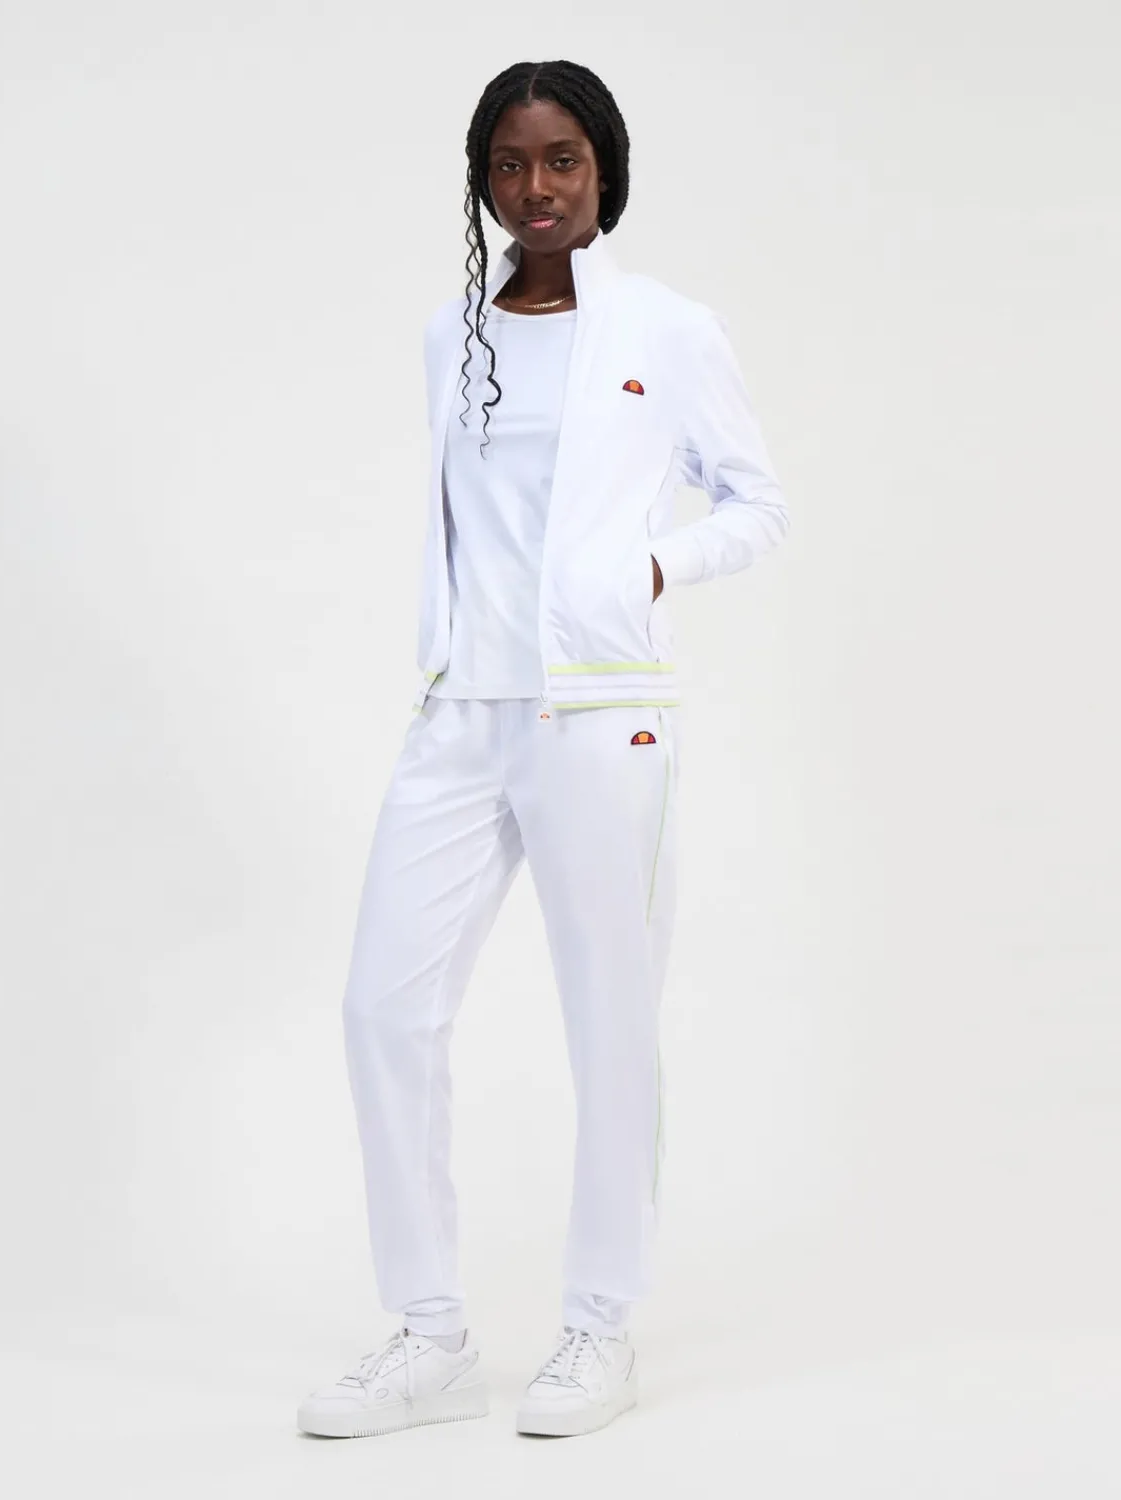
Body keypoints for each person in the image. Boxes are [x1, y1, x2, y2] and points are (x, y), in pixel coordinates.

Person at [297, 58, 787, 1440]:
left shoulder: (666, 330)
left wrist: (648, 568)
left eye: (561, 159)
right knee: (383, 1008)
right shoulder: (450, 332)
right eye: (510, 164)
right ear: (484, 179)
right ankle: (431, 1335)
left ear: (603, 170)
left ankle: (598, 1329)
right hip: (462, 711)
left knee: (608, 1019)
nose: (536, 187)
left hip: (601, 709)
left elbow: (758, 503)